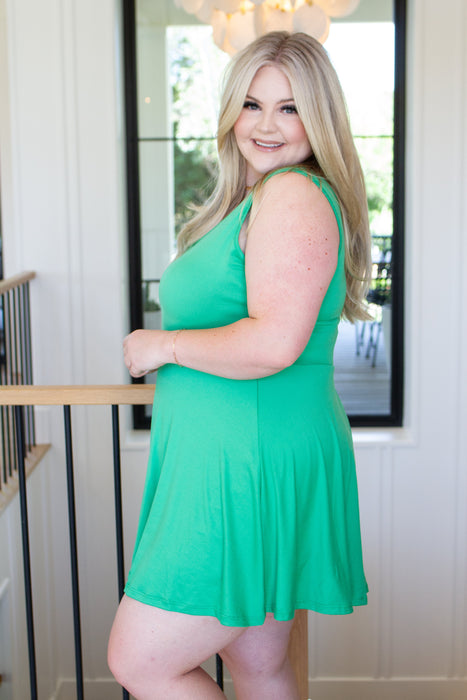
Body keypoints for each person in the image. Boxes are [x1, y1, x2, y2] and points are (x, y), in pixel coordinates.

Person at [108, 30, 370, 700]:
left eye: (290, 107)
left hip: (243, 461)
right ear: (230, 110)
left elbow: (272, 344)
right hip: (241, 451)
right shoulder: (257, 198)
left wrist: (160, 346)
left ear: (321, 118)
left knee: (140, 663)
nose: (266, 124)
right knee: (258, 666)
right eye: (252, 104)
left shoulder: (290, 194)